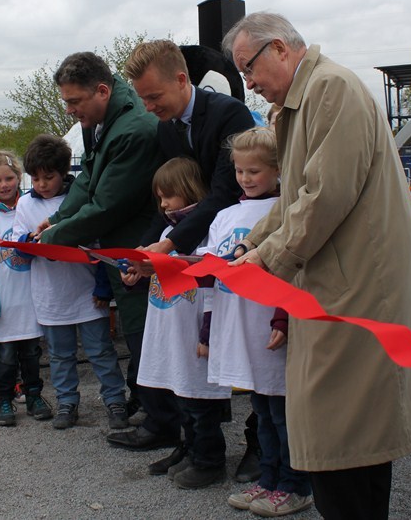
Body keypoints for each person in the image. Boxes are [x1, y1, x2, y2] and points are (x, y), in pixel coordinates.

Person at [224, 12, 411, 519]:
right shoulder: (307, 99)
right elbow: (295, 199)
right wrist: (251, 250)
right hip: (339, 285)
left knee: (340, 437)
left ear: (281, 49)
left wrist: (265, 260)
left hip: (356, 292)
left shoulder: (331, 90)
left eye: (249, 69)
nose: (250, 83)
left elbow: (324, 196)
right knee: (352, 437)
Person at [115, 39, 258, 471]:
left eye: (154, 97)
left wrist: (167, 245)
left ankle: (258, 445)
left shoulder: (228, 114)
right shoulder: (168, 129)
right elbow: (174, 200)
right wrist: (143, 247)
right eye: (141, 98)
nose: (148, 106)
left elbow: (222, 193)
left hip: (236, 247)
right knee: (187, 348)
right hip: (194, 248)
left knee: (246, 349)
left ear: (182, 80)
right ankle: (195, 442)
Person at [36, 52, 163, 438]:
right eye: (66, 101)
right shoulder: (103, 123)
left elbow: (108, 204)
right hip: (121, 251)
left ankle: (161, 422)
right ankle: (150, 406)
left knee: (146, 333)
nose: (71, 110)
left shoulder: (133, 130)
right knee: (138, 329)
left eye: (75, 101)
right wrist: (57, 220)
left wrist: (54, 236)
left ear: (102, 90)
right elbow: (89, 178)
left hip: (139, 249)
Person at [201, 128, 313, 517]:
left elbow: (294, 272)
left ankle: (296, 484)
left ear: (279, 169)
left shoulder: (285, 213)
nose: (246, 179)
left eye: (254, 171)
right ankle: (269, 478)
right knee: (262, 411)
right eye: (239, 171)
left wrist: (283, 316)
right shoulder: (224, 216)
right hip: (241, 331)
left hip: (270, 330)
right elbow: (213, 276)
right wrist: (206, 328)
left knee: (283, 415)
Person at [121, 157, 233, 488]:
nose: (164, 204)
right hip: (169, 330)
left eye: (168, 195)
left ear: (188, 190)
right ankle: (189, 449)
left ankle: (210, 460)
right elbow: (158, 279)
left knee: (199, 403)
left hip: (192, 330)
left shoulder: (203, 232)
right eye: (159, 198)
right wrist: (136, 277)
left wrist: (207, 333)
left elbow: (206, 279)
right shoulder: (167, 231)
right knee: (182, 399)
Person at [13, 134, 129, 431]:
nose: (41, 184)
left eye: (48, 177)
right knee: (60, 355)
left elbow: (99, 244)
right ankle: (67, 402)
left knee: (101, 351)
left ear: (64, 172)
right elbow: (18, 246)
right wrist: (27, 244)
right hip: (50, 295)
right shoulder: (25, 205)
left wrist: (103, 287)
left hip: (86, 293)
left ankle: (115, 400)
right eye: (35, 178)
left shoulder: (80, 199)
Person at [0, 150, 51, 427]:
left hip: (31, 299)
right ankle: (3, 400)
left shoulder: (29, 210)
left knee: (31, 353)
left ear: (19, 178)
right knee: (5, 356)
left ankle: (34, 395)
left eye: (9, 178)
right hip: (6, 302)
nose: (4, 185)